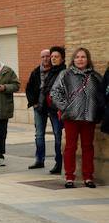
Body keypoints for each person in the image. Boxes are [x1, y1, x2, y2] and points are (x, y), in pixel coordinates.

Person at [51, 47, 103, 188]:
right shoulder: (65, 74)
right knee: (70, 147)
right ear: (73, 59)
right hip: (71, 117)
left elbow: (101, 96)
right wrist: (65, 107)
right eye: (77, 57)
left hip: (89, 117)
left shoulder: (96, 76)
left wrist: (98, 110)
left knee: (88, 147)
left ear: (88, 59)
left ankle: (88, 177)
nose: (80, 59)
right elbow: (55, 93)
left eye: (83, 57)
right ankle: (69, 177)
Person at [26, 48, 64, 172]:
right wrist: (34, 103)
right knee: (39, 135)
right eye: (43, 57)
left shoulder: (58, 71)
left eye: (48, 56)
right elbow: (29, 88)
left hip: (54, 108)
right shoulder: (36, 72)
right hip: (40, 107)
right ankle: (39, 160)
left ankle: (58, 163)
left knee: (58, 134)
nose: (47, 59)